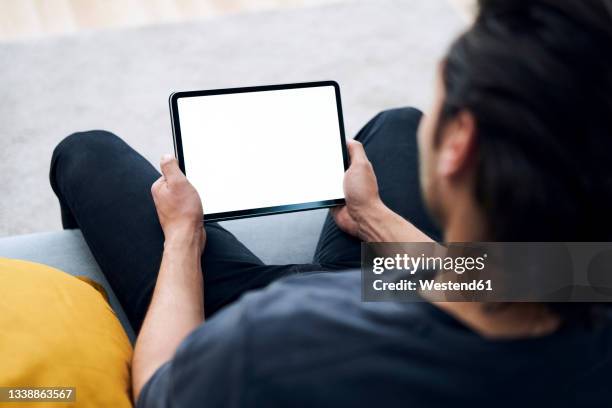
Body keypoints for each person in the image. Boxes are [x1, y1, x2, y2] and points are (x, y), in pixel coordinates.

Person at [50, 0, 612, 406]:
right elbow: (504, 282)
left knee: (85, 153)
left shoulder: (272, 338)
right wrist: (372, 217)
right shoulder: (590, 276)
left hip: (257, 321)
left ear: (458, 146)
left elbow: (160, 392)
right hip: (393, 281)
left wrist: (182, 239)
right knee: (396, 124)